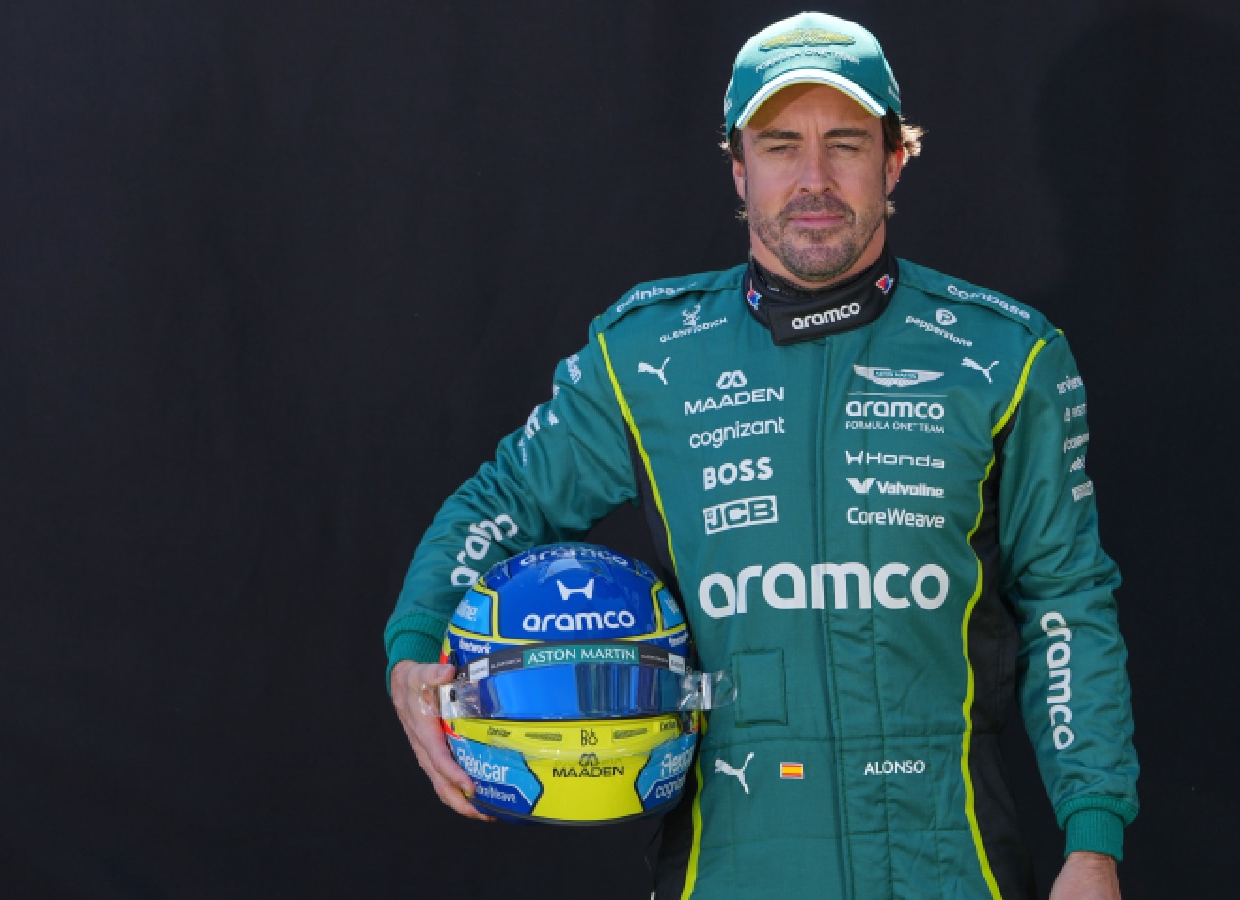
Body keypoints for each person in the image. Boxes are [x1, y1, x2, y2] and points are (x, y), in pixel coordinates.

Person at [385, 12, 1138, 900]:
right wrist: (416, 648)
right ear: (739, 171)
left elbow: (1067, 605)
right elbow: (500, 502)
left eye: (846, 144)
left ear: (895, 161)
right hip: (728, 867)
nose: (813, 179)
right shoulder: (648, 355)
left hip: (953, 865)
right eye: (781, 146)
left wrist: (1093, 841)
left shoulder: (1007, 358)